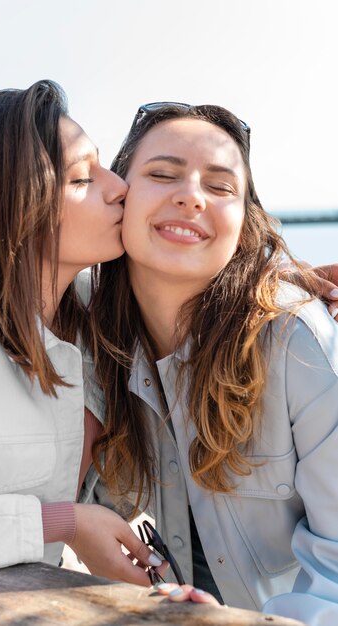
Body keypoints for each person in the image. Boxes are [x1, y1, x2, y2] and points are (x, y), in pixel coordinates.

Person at [89, 102, 338, 625]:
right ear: (118, 197)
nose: (190, 195)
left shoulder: (298, 341)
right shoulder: (88, 332)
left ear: (244, 224)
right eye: (162, 174)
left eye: (221, 187)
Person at [0, 80, 165, 584]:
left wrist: (280, 282)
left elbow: (183, 278)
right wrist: (63, 523)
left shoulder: (87, 315)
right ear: (16, 208)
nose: (118, 185)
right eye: (81, 179)